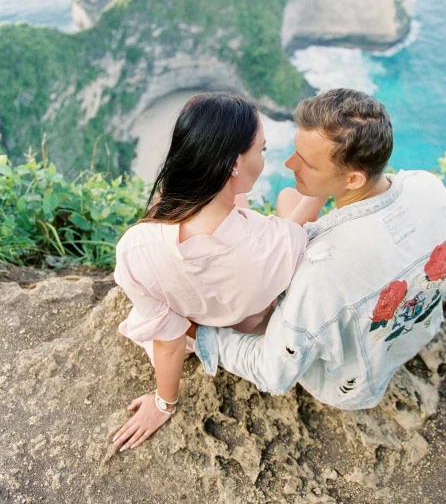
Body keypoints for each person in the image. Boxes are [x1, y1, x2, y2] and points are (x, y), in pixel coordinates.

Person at [193, 88, 446, 410]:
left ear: (353, 180)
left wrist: (201, 336)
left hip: (352, 382)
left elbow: (272, 372)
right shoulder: (426, 186)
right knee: (289, 200)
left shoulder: (320, 272)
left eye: (306, 163)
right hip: (416, 331)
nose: (290, 164)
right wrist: (322, 184)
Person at [112, 92, 325, 452]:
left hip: (194, 325)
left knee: (250, 206)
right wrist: (322, 183)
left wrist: (164, 403)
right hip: (245, 320)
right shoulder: (280, 245)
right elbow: (281, 236)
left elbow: (167, 341)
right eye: (262, 150)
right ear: (234, 166)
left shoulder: (135, 249)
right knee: (290, 198)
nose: (266, 158)